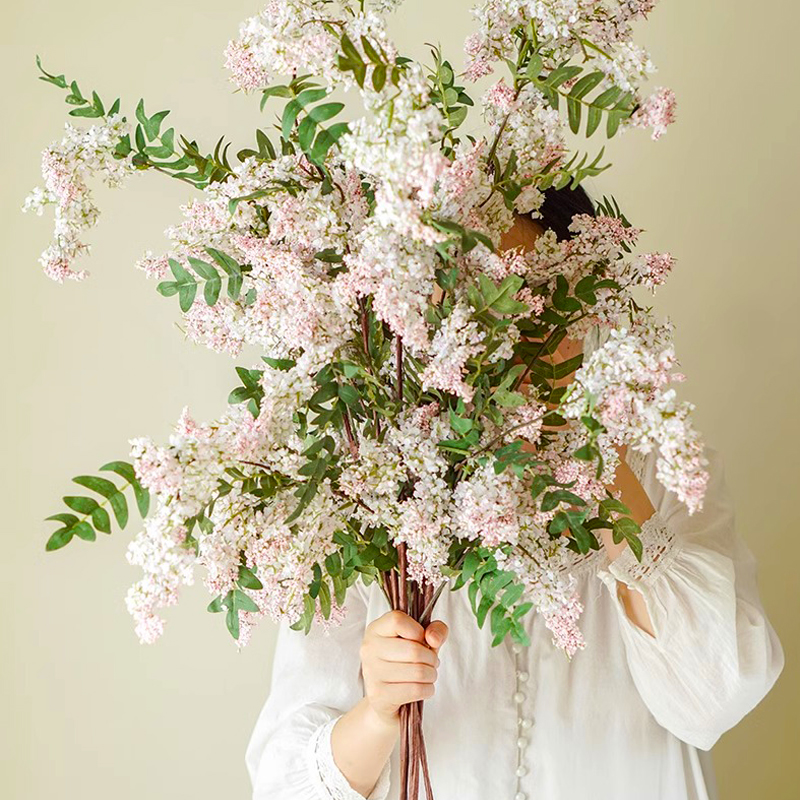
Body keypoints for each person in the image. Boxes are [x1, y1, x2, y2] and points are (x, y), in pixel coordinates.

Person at [245, 186, 785, 800]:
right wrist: (377, 712)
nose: (509, 345)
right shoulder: (366, 497)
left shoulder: (669, 470)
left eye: (537, 307)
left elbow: (720, 696)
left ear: (589, 309)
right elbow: (283, 783)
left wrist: (592, 460)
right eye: (480, 308)